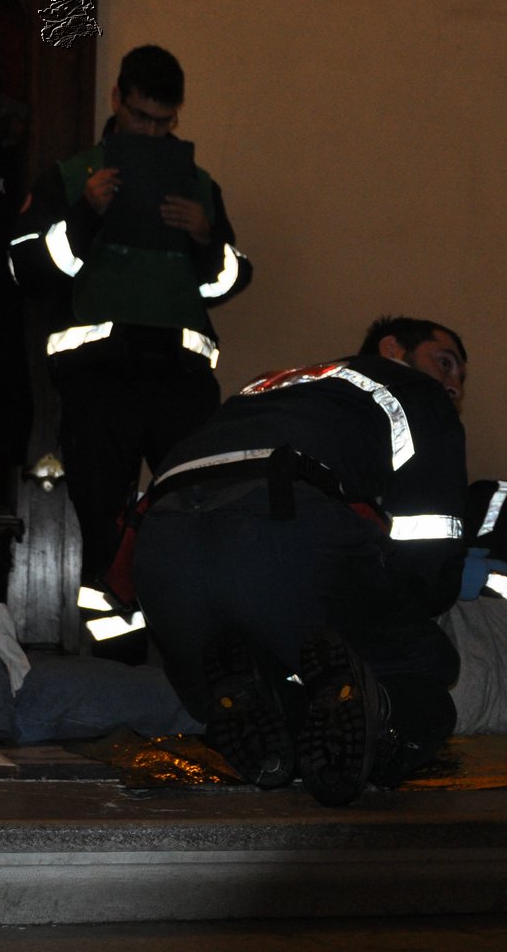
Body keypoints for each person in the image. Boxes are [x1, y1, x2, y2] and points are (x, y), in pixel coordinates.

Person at [131, 316, 469, 806]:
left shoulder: (267, 384)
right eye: (447, 362)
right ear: (392, 348)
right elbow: (429, 547)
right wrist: (404, 617)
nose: (454, 383)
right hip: (276, 525)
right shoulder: (414, 391)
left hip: (161, 552)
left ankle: (266, 702)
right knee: (426, 670)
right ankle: (378, 718)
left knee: (277, 651)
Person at [7, 44, 252, 629]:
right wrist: (86, 215)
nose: (151, 131)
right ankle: (118, 656)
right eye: (142, 117)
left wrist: (204, 239)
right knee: (103, 524)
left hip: (181, 380)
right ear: (116, 100)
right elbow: (28, 272)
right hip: (100, 379)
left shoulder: (197, 184)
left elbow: (230, 279)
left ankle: (185, 652)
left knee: (196, 514)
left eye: (165, 122)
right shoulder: (70, 177)